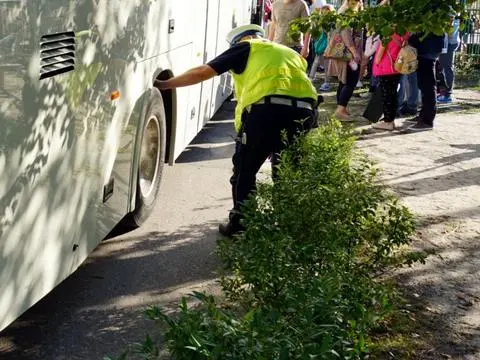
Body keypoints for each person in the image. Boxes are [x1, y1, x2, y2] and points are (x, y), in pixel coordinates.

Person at [154, 24, 319, 237]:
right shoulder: (290, 53)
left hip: (266, 113)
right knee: (286, 170)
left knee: (245, 170)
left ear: (239, 40)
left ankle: (241, 225)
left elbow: (203, 72)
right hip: (305, 113)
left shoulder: (246, 47)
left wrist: (165, 85)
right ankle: (288, 228)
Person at [327, 0, 363, 120]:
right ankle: (340, 109)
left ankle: (341, 107)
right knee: (350, 81)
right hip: (347, 54)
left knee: (344, 81)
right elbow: (346, 34)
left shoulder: (343, 12)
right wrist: (354, 52)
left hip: (343, 53)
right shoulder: (347, 14)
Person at [371, 32, 410, 131]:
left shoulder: (388, 34)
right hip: (398, 66)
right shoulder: (405, 33)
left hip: (386, 67)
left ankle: (388, 121)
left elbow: (380, 53)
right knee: (393, 94)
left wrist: (376, 62)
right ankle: (391, 120)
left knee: (387, 95)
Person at [407, 31, 445, 130]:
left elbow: (423, 34)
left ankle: (427, 120)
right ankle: (424, 115)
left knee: (428, 85)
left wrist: (411, 40)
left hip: (427, 50)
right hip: (427, 50)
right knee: (424, 85)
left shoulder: (432, 21)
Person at [437, 17, 460, 103]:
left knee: (446, 67)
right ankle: (445, 92)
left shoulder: (449, 12)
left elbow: (448, 32)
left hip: (448, 43)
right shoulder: (453, 10)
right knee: (445, 67)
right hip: (450, 42)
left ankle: (447, 94)